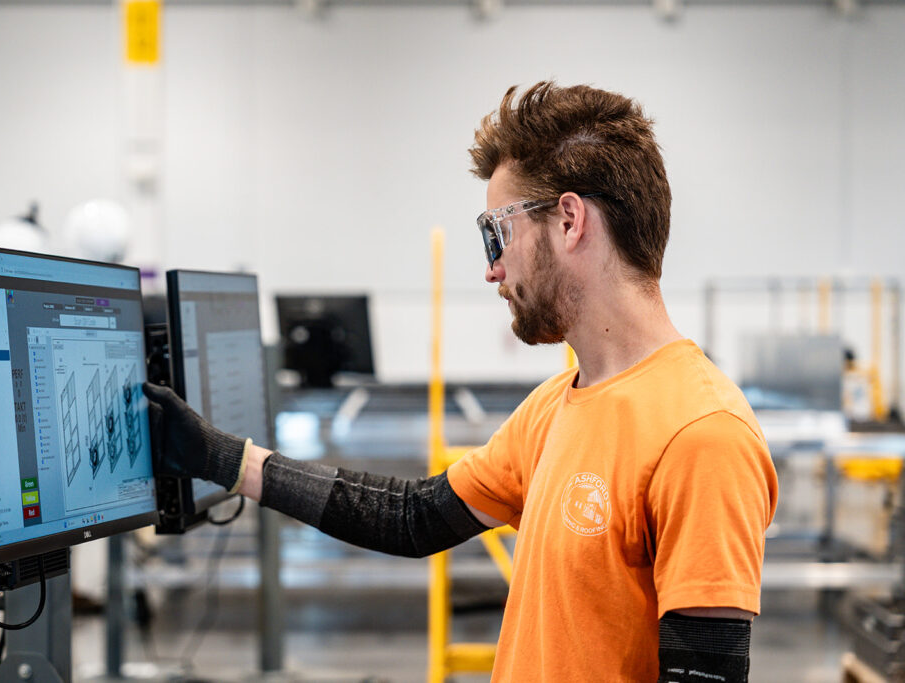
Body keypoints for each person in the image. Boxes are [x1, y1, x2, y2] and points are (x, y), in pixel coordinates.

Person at [144, 81, 779, 682]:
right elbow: (414, 517)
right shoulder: (555, 407)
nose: (492, 269)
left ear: (569, 221)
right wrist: (221, 457)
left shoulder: (701, 436)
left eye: (497, 232)